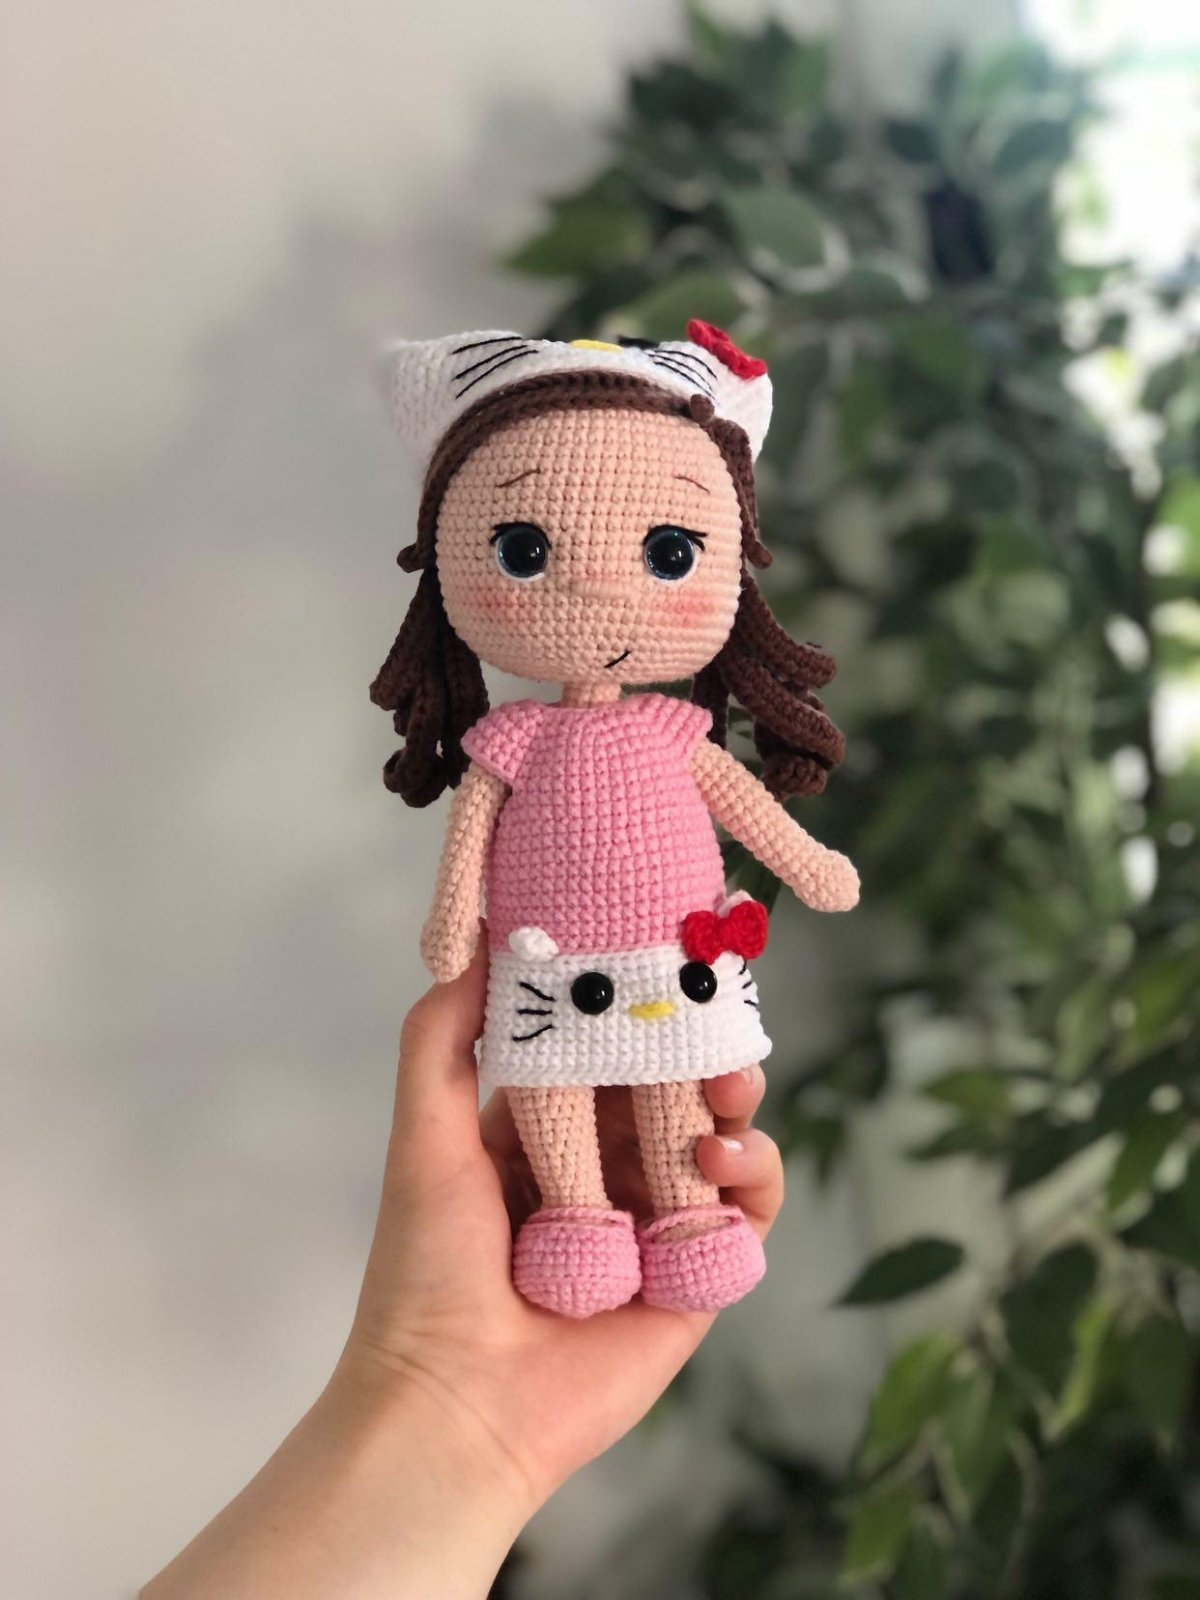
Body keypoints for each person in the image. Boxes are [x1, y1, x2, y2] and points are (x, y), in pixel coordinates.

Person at [142, 935, 784, 1599]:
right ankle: (593, 1222)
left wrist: (448, 1404)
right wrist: (445, 1394)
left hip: (630, 992)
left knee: (668, 1102)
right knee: (583, 1098)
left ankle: (670, 1216)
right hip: (561, 997)